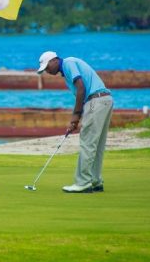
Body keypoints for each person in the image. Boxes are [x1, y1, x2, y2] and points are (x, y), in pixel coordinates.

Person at [37, 51, 113, 193]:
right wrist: (76, 119)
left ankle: (83, 182)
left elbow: (81, 88)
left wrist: (75, 115)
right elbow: (82, 92)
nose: (47, 71)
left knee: (87, 143)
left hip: (95, 100)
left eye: (47, 67)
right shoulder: (67, 69)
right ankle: (95, 181)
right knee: (96, 145)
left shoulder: (68, 63)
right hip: (104, 100)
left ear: (54, 60)